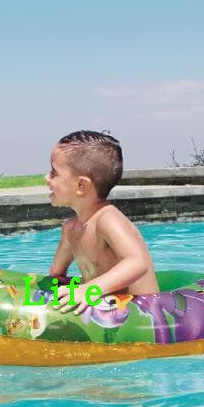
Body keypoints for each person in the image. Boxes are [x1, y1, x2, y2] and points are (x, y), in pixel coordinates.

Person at [45, 130, 159, 315]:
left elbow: (137, 262)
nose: (46, 178)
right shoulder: (70, 229)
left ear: (81, 185)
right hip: (104, 309)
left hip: (143, 313)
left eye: (53, 172)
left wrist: (87, 291)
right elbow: (56, 275)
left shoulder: (107, 220)